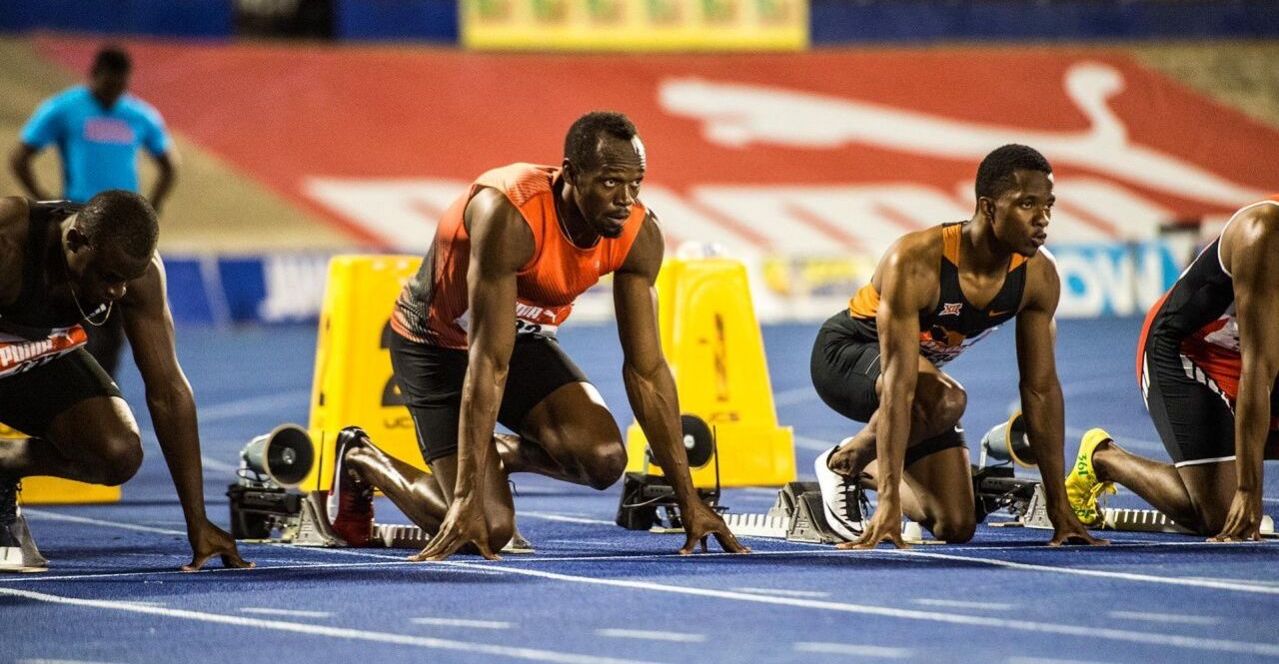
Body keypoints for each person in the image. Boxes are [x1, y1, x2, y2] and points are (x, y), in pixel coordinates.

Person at [327, 111, 747, 560]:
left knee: (604, 458)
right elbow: (488, 363)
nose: (625, 200)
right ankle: (361, 458)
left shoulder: (638, 234)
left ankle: (496, 456)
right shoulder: (508, 215)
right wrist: (467, 497)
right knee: (487, 529)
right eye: (609, 183)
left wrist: (689, 499)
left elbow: (647, 371)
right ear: (571, 174)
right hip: (436, 346)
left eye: (635, 184)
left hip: (521, 340)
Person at [809, 144, 1104, 549]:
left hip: (920, 384)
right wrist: (889, 503)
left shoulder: (1038, 276)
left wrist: (1060, 509)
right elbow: (899, 385)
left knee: (955, 524)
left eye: (1048, 205)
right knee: (947, 399)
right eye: (1027, 204)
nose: (1043, 219)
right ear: (988, 208)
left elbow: (1040, 390)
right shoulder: (916, 260)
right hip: (848, 356)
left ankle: (856, 461)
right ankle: (847, 462)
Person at [0, 191, 249, 572]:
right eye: (110, 277)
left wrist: (197, 521)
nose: (118, 291)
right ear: (75, 242)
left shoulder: (139, 275)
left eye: (126, 280)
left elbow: (168, 391)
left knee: (118, 452)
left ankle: (4, 464)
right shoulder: (8, 243)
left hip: (32, 355)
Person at [1067, 196, 1279, 541]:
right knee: (1220, 516)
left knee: (1231, 468)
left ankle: (1220, 457)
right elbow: (1259, 370)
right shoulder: (1262, 233)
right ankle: (1104, 458)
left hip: (1240, 353)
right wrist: (1247, 490)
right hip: (1182, 350)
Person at [9, 45, 177, 378]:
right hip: (81, 224)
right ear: (94, 75)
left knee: (115, 317)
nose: (114, 93)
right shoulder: (64, 109)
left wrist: (151, 207)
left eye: (121, 86)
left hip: (125, 230)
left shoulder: (140, 115)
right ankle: (63, 383)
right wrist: (45, 202)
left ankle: (103, 387)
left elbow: (169, 165)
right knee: (72, 308)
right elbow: (20, 157)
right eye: (109, 85)